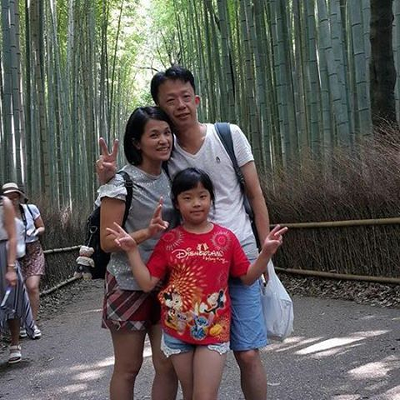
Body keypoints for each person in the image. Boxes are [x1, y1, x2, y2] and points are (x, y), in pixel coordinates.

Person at [97, 65, 272, 399]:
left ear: (197, 99)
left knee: (222, 357)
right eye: (170, 100)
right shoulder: (145, 167)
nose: (180, 106)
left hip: (207, 266)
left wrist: (266, 252)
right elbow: (113, 226)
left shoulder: (206, 147)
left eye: (185, 97)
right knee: (144, 366)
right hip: (154, 278)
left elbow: (255, 194)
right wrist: (109, 179)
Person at [107, 168, 287, 400]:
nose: (196, 203)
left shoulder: (226, 238)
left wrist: (265, 253)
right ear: (177, 203)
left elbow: (247, 277)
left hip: (214, 329)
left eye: (203, 196)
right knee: (190, 393)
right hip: (177, 329)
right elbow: (147, 283)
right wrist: (132, 250)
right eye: (187, 197)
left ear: (211, 199)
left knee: (204, 396)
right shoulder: (170, 240)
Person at [98, 106, 178, 400]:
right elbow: (108, 242)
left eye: (167, 133)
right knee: (128, 368)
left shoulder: (174, 176)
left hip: (166, 284)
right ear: (136, 142)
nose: (163, 140)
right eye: (154, 135)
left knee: (167, 365)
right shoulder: (121, 182)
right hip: (127, 283)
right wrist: (147, 232)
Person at [2, 182, 45, 339]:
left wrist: (35, 231)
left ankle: (32, 323)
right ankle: (20, 324)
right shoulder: (2, 213)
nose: (13, 200)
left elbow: (42, 227)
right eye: (9, 197)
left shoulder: (30, 209)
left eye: (15, 196)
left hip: (33, 252)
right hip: (14, 255)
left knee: (32, 287)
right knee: (18, 292)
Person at [0, 194, 35, 364]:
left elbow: (13, 235)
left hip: (3, 253)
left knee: (11, 298)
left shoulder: (3, 203)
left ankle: (15, 343)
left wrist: (10, 267)